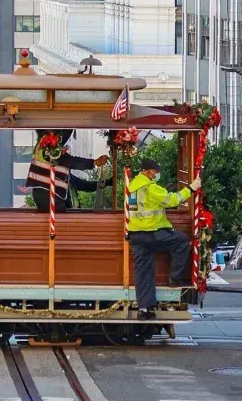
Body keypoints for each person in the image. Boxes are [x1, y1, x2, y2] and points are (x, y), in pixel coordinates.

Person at [127, 158, 201, 320]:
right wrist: (191, 188)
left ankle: (145, 309)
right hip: (152, 232)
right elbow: (171, 200)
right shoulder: (150, 188)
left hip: (136, 235)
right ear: (147, 172)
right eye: (154, 171)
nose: (156, 174)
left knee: (143, 272)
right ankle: (175, 279)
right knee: (181, 241)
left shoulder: (132, 186)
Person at [26, 129, 109, 212]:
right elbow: (70, 161)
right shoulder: (49, 148)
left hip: (45, 194)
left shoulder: (43, 147)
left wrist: (107, 182)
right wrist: (94, 162)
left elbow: (81, 184)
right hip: (49, 196)